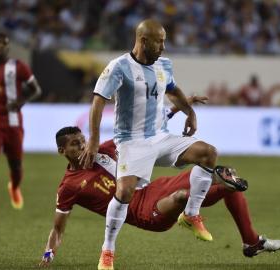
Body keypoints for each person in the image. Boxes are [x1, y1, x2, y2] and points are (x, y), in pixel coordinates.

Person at [79, 19, 219, 270]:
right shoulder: (119, 67)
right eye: (159, 42)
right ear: (143, 41)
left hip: (161, 137)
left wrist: (190, 112)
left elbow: (173, 91)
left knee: (208, 153)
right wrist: (94, 139)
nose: (163, 47)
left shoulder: (163, 64)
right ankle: (107, 251)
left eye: (164, 41)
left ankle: (190, 214)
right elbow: (98, 101)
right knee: (123, 193)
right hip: (132, 142)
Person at [39, 126, 280, 267]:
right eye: (74, 144)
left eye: (83, 141)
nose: (83, 146)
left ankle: (251, 241)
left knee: (221, 177)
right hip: (141, 212)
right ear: (62, 151)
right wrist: (48, 254)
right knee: (182, 197)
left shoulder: (103, 150)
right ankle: (203, 198)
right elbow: (58, 229)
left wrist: (177, 108)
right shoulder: (68, 187)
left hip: (154, 188)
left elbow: (139, 133)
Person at [0, 33, 42, 220]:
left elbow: (36, 89)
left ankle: (14, 187)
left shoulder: (18, 67)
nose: (0, 47)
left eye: (3, 44)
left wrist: (20, 101)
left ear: (8, 47)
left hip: (13, 123)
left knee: (15, 165)